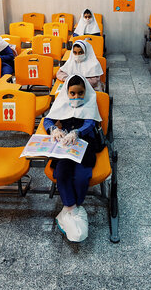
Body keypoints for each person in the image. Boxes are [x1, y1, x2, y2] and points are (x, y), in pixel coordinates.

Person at [43, 75, 103, 242]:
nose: (76, 97)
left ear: (85, 92)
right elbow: (47, 119)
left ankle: (71, 208)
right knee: (61, 172)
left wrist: (77, 132)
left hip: (85, 142)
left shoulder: (90, 102)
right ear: (67, 93)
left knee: (82, 175)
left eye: (80, 93)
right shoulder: (62, 102)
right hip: (66, 144)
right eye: (72, 93)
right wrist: (53, 129)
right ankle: (72, 208)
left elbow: (90, 123)